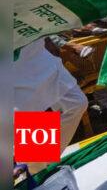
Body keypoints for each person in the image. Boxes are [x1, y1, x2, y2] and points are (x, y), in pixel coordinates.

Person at [14, 36, 89, 173]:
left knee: (78, 103)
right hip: (14, 69)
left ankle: (37, 159)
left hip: (40, 57)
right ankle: (36, 166)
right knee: (35, 121)